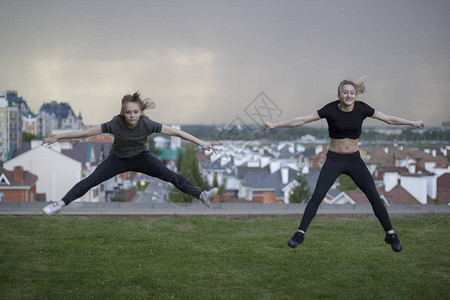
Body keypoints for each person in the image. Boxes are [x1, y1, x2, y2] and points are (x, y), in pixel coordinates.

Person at [264, 79, 424, 252]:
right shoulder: (330, 109)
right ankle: (300, 233)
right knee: (317, 196)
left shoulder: (362, 108)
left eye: (352, 93)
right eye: (345, 92)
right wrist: (275, 125)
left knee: (374, 196)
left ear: (355, 94)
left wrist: (412, 122)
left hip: (354, 160)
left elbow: (389, 119)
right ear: (339, 94)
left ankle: (391, 233)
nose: (348, 95)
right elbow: (302, 120)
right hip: (334, 160)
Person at [42, 92, 218, 215]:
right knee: (91, 180)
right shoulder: (115, 124)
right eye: (128, 112)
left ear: (141, 113)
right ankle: (60, 204)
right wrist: (57, 137)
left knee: (169, 175)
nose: (132, 116)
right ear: (122, 113)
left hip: (142, 157)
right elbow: (85, 133)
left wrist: (202, 144)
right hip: (117, 159)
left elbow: (177, 133)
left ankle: (203, 196)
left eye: (135, 112)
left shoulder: (147, 124)